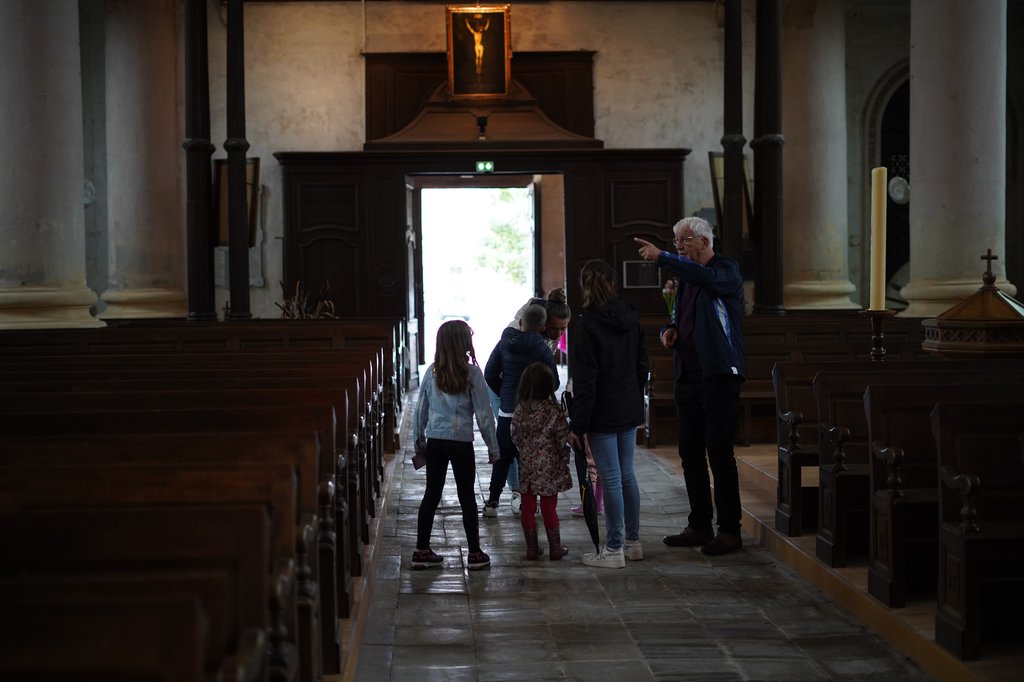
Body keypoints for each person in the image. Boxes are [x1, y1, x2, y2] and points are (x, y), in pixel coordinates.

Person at [634, 216, 746, 556]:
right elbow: (678, 317)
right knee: (691, 453)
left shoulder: (725, 270)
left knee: (719, 453)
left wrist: (664, 257)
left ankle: (730, 530)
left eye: (684, 240)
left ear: (704, 241)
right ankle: (699, 525)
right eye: (676, 242)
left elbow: (708, 281)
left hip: (719, 375)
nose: (679, 246)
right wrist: (668, 330)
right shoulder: (687, 278)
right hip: (688, 375)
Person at [567, 259, 649, 569]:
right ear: (613, 283)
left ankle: (614, 548)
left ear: (583, 286)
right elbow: (642, 363)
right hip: (627, 402)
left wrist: (578, 423)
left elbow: (585, 379)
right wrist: (634, 394)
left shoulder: (586, 324)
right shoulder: (630, 316)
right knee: (626, 474)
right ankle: (633, 542)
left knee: (612, 478)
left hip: (602, 408)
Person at [411, 319, 499, 570]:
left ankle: (421, 550)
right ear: (465, 344)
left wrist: (419, 442)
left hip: (436, 441)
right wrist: (493, 447)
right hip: (461, 443)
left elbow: (420, 411)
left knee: (431, 494)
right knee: (467, 496)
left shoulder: (432, 372)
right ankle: (474, 553)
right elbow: (484, 415)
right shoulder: (472, 374)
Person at [483, 303, 559, 517]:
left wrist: (504, 392)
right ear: (543, 327)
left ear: (521, 322)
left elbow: (489, 373)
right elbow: (553, 381)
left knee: (503, 458)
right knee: (530, 459)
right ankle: (529, 504)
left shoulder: (504, 343)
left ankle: (492, 503)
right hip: (533, 413)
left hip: (507, 412)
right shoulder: (542, 349)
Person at [510, 362, 573, 560]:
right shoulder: (553, 410)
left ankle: (532, 548)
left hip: (527, 465)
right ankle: (555, 548)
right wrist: (561, 456)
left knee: (527, 507)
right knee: (548, 507)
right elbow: (562, 436)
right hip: (549, 466)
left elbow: (514, 434)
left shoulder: (521, 409)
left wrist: (526, 448)